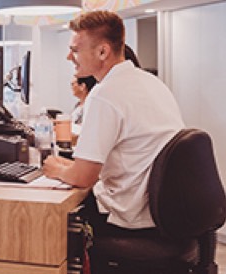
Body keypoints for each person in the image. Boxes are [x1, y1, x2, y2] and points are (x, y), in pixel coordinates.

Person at [41, 10, 184, 271]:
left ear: (103, 52)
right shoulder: (151, 82)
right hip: (165, 214)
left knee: (47, 223)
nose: (68, 57)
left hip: (130, 219)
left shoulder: (105, 94)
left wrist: (56, 168)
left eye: (75, 49)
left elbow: (84, 177)